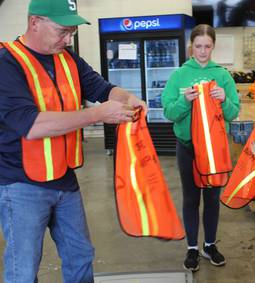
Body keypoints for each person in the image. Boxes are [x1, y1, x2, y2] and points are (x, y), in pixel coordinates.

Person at [0, 0, 146, 282]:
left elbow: (102, 88)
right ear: (35, 23)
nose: (68, 39)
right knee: (23, 269)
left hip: (64, 178)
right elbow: (31, 124)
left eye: (72, 33)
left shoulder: (68, 59)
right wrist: (96, 115)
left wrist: (128, 98)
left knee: (80, 255)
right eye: (62, 31)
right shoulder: (7, 63)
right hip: (21, 185)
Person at [161, 24, 240, 272]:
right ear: (191, 46)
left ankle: (209, 245)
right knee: (191, 198)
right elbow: (168, 112)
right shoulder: (179, 75)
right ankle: (192, 248)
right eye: (198, 46)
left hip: (215, 150)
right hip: (187, 148)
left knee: (213, 199)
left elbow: (234, 112)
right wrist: (184, 100)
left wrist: (224, 99)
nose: (203, 51)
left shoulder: (224, 76)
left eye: (207, 46)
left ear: (213, 46)